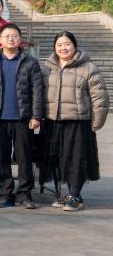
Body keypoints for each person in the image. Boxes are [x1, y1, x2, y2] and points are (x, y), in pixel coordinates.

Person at [42, 31, 110, 212]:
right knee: (56, 158)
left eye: (67, 44)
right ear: (54, 48)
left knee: (77, 159)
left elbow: (100, 97)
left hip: (78, 123)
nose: (63, 48)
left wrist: (96, 123)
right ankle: (63, 194)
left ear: (75, 46)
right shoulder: (47, 68)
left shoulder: (88, 68)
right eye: (59, 45)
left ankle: (75, 196)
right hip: (53, 122)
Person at [0, 23, 43, 209]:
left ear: (20, 40)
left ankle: (25, 194)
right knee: (1, 159)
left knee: (24, 158)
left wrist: (36, 116)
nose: (11, 39)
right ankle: (5, 194)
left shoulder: (30, 62)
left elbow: (37, 90)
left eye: (15, 36)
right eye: (7, 36)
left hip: (23, 120)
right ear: (0, 40)